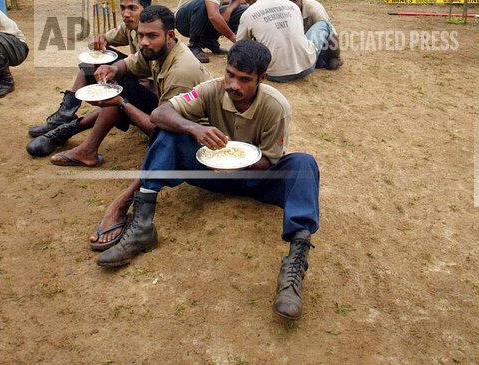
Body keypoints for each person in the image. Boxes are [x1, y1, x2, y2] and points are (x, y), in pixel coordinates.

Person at [97, 39, 320, 321]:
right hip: (209, 172)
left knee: (303, 164)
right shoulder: (212, 89)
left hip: (255, 178)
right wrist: (193, 129)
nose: (233, 85)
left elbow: (270, 161)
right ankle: (142, 227)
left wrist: (236, 163)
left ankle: (294, 264)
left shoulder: (276, 107)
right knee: (169, 133)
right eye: (230, 74)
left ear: (262, 79)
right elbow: (159, 113)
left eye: (244, 79)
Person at [35, 5, 209, 169]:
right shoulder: (158, 50)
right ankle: (69, 127)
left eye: (152, 36)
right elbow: (129, 63)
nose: (143, 42)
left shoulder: (180, 73)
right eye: (141, 36)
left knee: (120, 95)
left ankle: (80, 143)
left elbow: (161, 128)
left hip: (187, 134)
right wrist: (111, 69)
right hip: (165, 108)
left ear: (170, 36)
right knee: (114, 80)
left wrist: (121, 103)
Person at [27, 0, 151, 139]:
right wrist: (100, 41)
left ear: (146, 10)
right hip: (136, 79)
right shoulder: (130, 26)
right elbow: (104, 39)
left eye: (133, 8)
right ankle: (66, 113)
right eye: (123, 8)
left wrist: (118, 81)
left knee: (114, 89)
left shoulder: (154, 35)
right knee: (94, 59)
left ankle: (76, 132)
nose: (126, 14)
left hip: (149, 97)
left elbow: (151, 83)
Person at [235, 0, 332, 82]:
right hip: (306, 68)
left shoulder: (248, 13)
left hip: (272, 73)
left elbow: (239, 46)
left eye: (247, 2)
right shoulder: (292, 6)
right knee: (323, 24)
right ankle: (333, 58)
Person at [277, 0, 342, 70]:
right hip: (302, 44)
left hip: (320, 46)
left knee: (329, 64)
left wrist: (334, 54)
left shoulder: (313, 8)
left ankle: (334, 58)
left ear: (295, 0)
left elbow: (332, 34)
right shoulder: (286, 10)